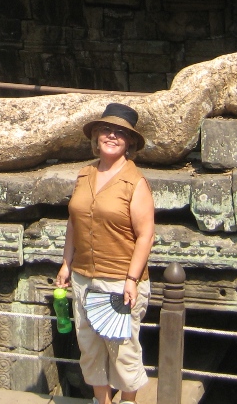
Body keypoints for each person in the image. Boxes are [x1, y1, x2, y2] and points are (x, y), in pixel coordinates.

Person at [56, 103, 155, 404]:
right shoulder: (84, 175)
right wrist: (66, 262)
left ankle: (128, 401)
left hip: (118, 281)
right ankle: (103, 401)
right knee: (89, 344)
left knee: (122, 348)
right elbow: (75, 220)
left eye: (120, 133)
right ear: (96, 136)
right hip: (84, 277)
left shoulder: (135, 182)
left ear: (130, 143)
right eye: (106, 130)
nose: (112, 136)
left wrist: (131, 279)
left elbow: (146, 235)